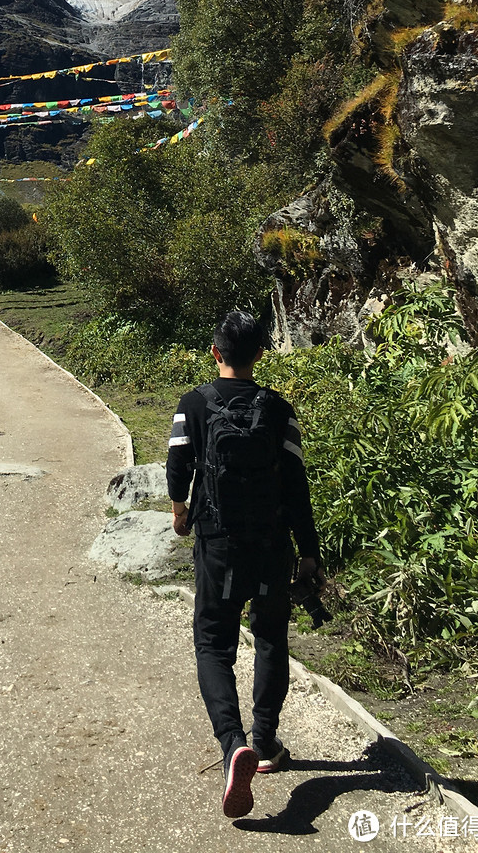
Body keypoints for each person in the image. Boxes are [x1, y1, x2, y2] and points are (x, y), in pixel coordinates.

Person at [166, 309, 321, 820]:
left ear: (215, 353)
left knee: (214, 642)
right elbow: (297, 485)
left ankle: (233, 745)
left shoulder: (194, 403)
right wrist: (308, 550)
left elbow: (177, 465)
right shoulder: (279, 408)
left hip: (218, 543)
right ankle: (267, 741)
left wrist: (181, 510)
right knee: (272, 637)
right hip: (272, 545)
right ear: (260, 353)